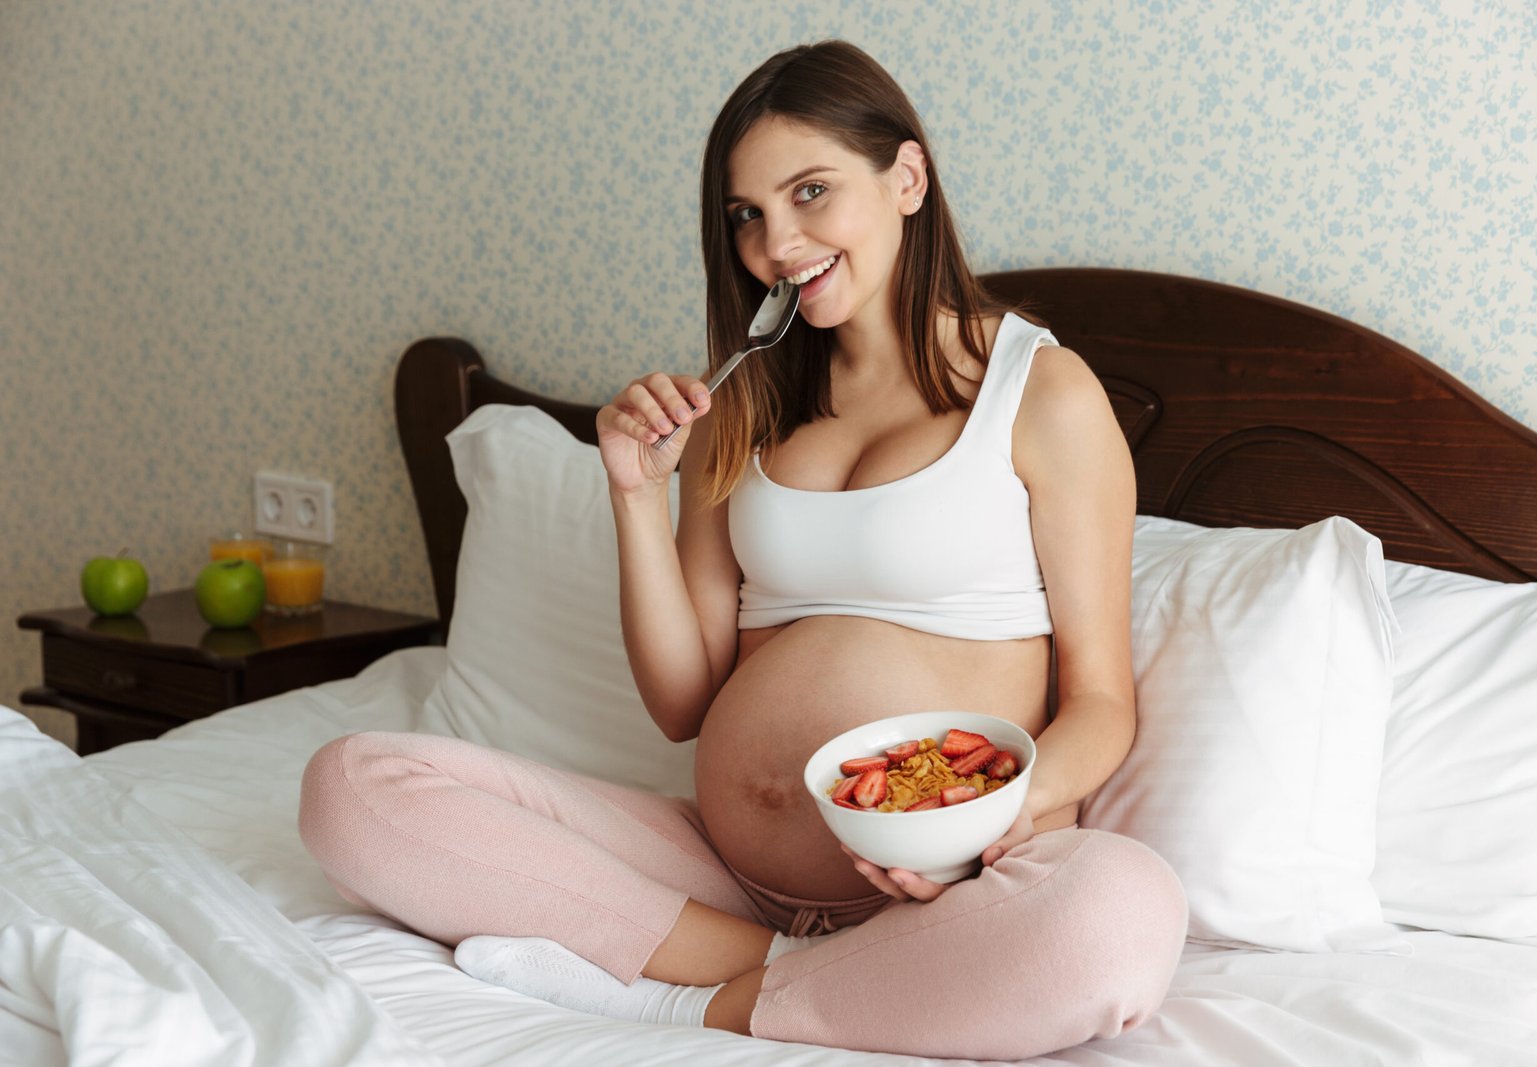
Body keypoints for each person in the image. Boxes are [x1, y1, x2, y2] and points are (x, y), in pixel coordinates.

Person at [299, 40, 1186, 1060]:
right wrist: (633, 490)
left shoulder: (1040, 391)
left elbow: (1101, 704)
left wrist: (983, 820)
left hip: (948, 880)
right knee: (354, 785)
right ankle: (771, 967)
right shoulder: (742, 408)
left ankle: (691, 996)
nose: (777, 243)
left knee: (1117, 913)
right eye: (747, 216)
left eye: (811, 192)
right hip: (722, 870)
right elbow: (685, 701)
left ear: (905, 177)